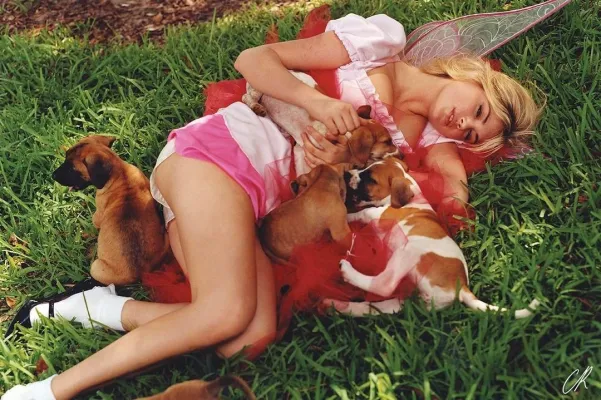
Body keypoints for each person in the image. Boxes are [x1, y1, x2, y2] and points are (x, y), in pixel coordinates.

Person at [2, 11, 541, 400]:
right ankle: (48, 391)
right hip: (219, 156)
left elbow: (448, 187)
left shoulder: (413, 143)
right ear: (473, 75)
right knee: (224, 312)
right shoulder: (380, 43)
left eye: (474, 134)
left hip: (256, 204)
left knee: (248, 338)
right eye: (478, 109)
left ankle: (94, 307)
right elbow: (254, 60)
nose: (464, 124)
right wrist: (317, 102)